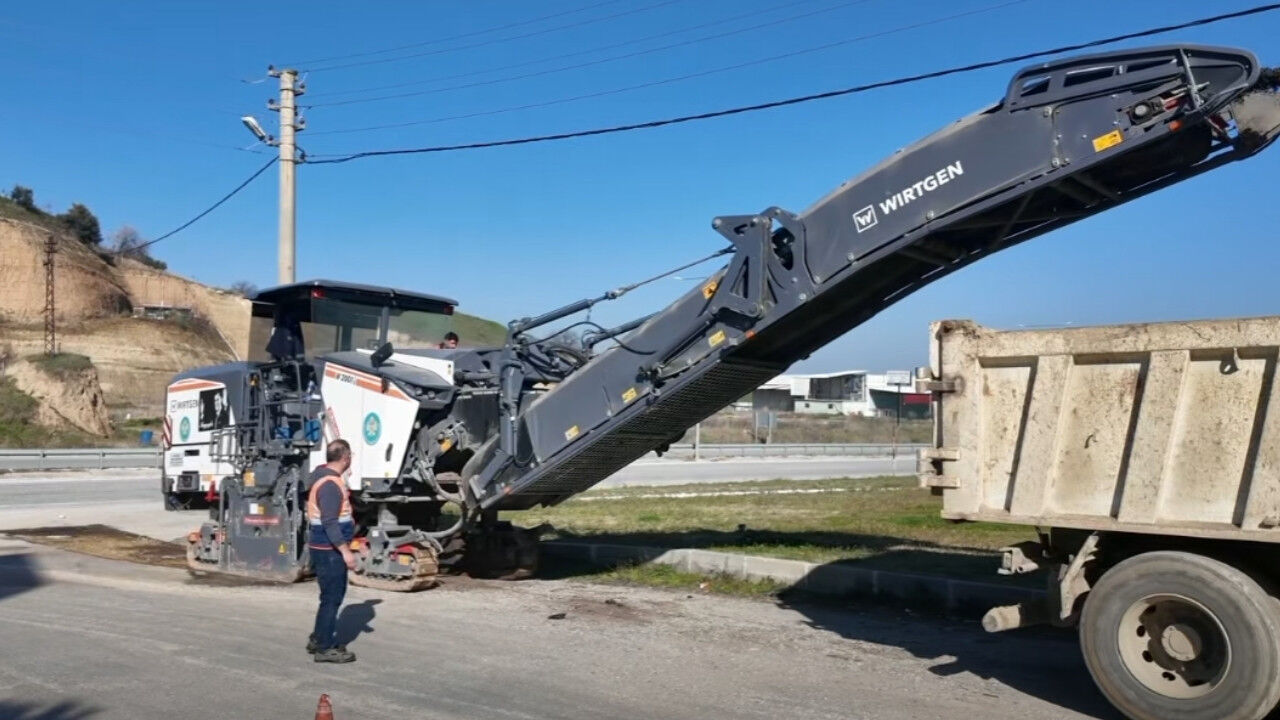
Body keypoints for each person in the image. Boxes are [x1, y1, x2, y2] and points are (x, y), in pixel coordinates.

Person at [306, 439, 357, 663]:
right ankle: (324, 648)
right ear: (345, 458)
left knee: (327, 597)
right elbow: (330, 522)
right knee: (332, 598)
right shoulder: (330, 485)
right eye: (351, 456)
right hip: (330, 550)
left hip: (323, 548)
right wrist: (345, 551)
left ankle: (319, 638)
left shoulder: (322, 476)